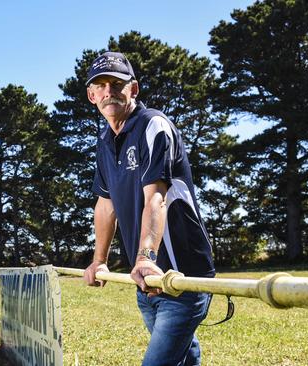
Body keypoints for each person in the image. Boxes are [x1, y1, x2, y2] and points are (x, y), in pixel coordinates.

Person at [82, 51, 216, 366]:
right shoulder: (104, 142)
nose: (108, 91)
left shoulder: (153, 125)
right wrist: (98, 261)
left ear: (134, 89)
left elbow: (156, 195)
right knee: (183, 358)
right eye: (100, 86)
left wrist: (145, 257)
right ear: (91, 96)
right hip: (147, 284)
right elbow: (105, 205)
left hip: (181, 276)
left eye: (117, 83)